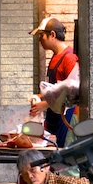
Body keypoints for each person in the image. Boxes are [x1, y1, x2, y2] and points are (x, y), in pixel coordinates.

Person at [29, 17, 80, 147]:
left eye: (42, 36)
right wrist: (39, 97)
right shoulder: (55, 56)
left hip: (67, 117)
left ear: (52, 35)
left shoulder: (69, 58)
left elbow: (73, 93)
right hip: (55, 116)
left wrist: (45, 104)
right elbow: (56, 88)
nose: (40, 40)